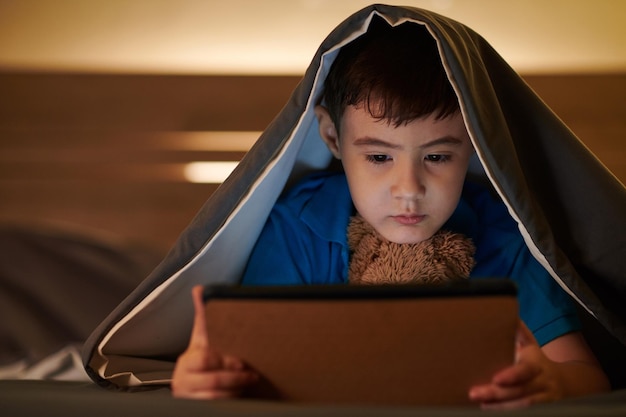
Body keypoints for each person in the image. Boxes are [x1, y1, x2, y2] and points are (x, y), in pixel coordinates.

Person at [171, 17, 610, 408]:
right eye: (379, 158)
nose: (409, 190)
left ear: (475, 145)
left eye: (437, 157)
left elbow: (586, 373)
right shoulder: (298, 226)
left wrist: (552, 382)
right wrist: (203, 377)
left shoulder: (504, 237)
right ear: (332, 138)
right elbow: (244, 365)